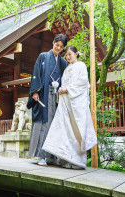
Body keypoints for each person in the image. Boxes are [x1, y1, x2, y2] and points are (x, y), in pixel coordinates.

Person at [42, 45, 97, 169]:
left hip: (77, 104)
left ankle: (79, 161)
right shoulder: (67, 69)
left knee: (77, 129)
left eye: (70, 54)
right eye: (66, 55)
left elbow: (83, 83)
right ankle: (67, 158)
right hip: (66, 102)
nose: (67, 57)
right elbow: (65, 83)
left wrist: (67, 89)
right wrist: (61, 89)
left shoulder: (81, 66)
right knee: (65, 129)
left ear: (76, 54)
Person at [27, 34, 68, 166]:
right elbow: (36, 74)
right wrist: (34, 91)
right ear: (53, 43)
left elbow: (66, 78)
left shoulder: (62, 62)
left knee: (54, 125)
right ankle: (41, 156)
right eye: (57, 45)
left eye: (61, 47)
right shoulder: (43, 56)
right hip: (43, 94)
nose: (58, 48)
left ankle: (52, 156)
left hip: (56, 96)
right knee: (43, 124)